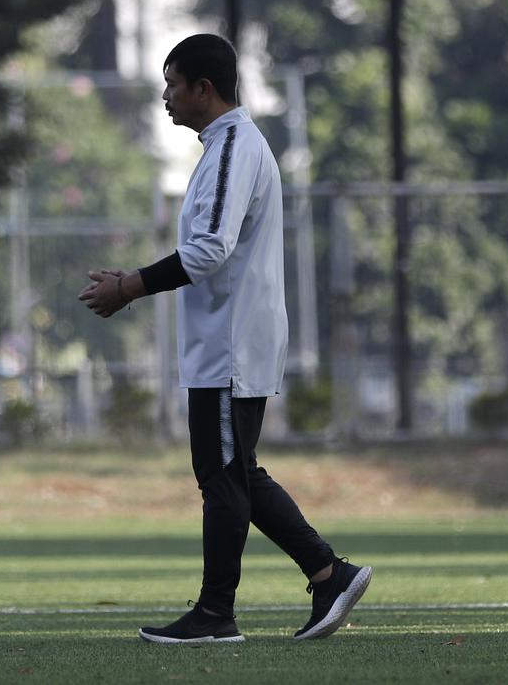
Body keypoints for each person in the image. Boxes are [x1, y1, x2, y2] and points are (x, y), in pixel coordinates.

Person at [78, 34, 371, 644]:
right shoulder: (226, 145)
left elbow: (210, 249)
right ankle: (327, 573)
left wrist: (131, 285)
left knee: (221, 476)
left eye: (173, 84)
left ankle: (216, 614)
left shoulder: (235, 146)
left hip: (231, 348)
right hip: (229, 343)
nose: (165, 96)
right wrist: (131, 279)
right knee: (233, 471)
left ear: (203, 90)